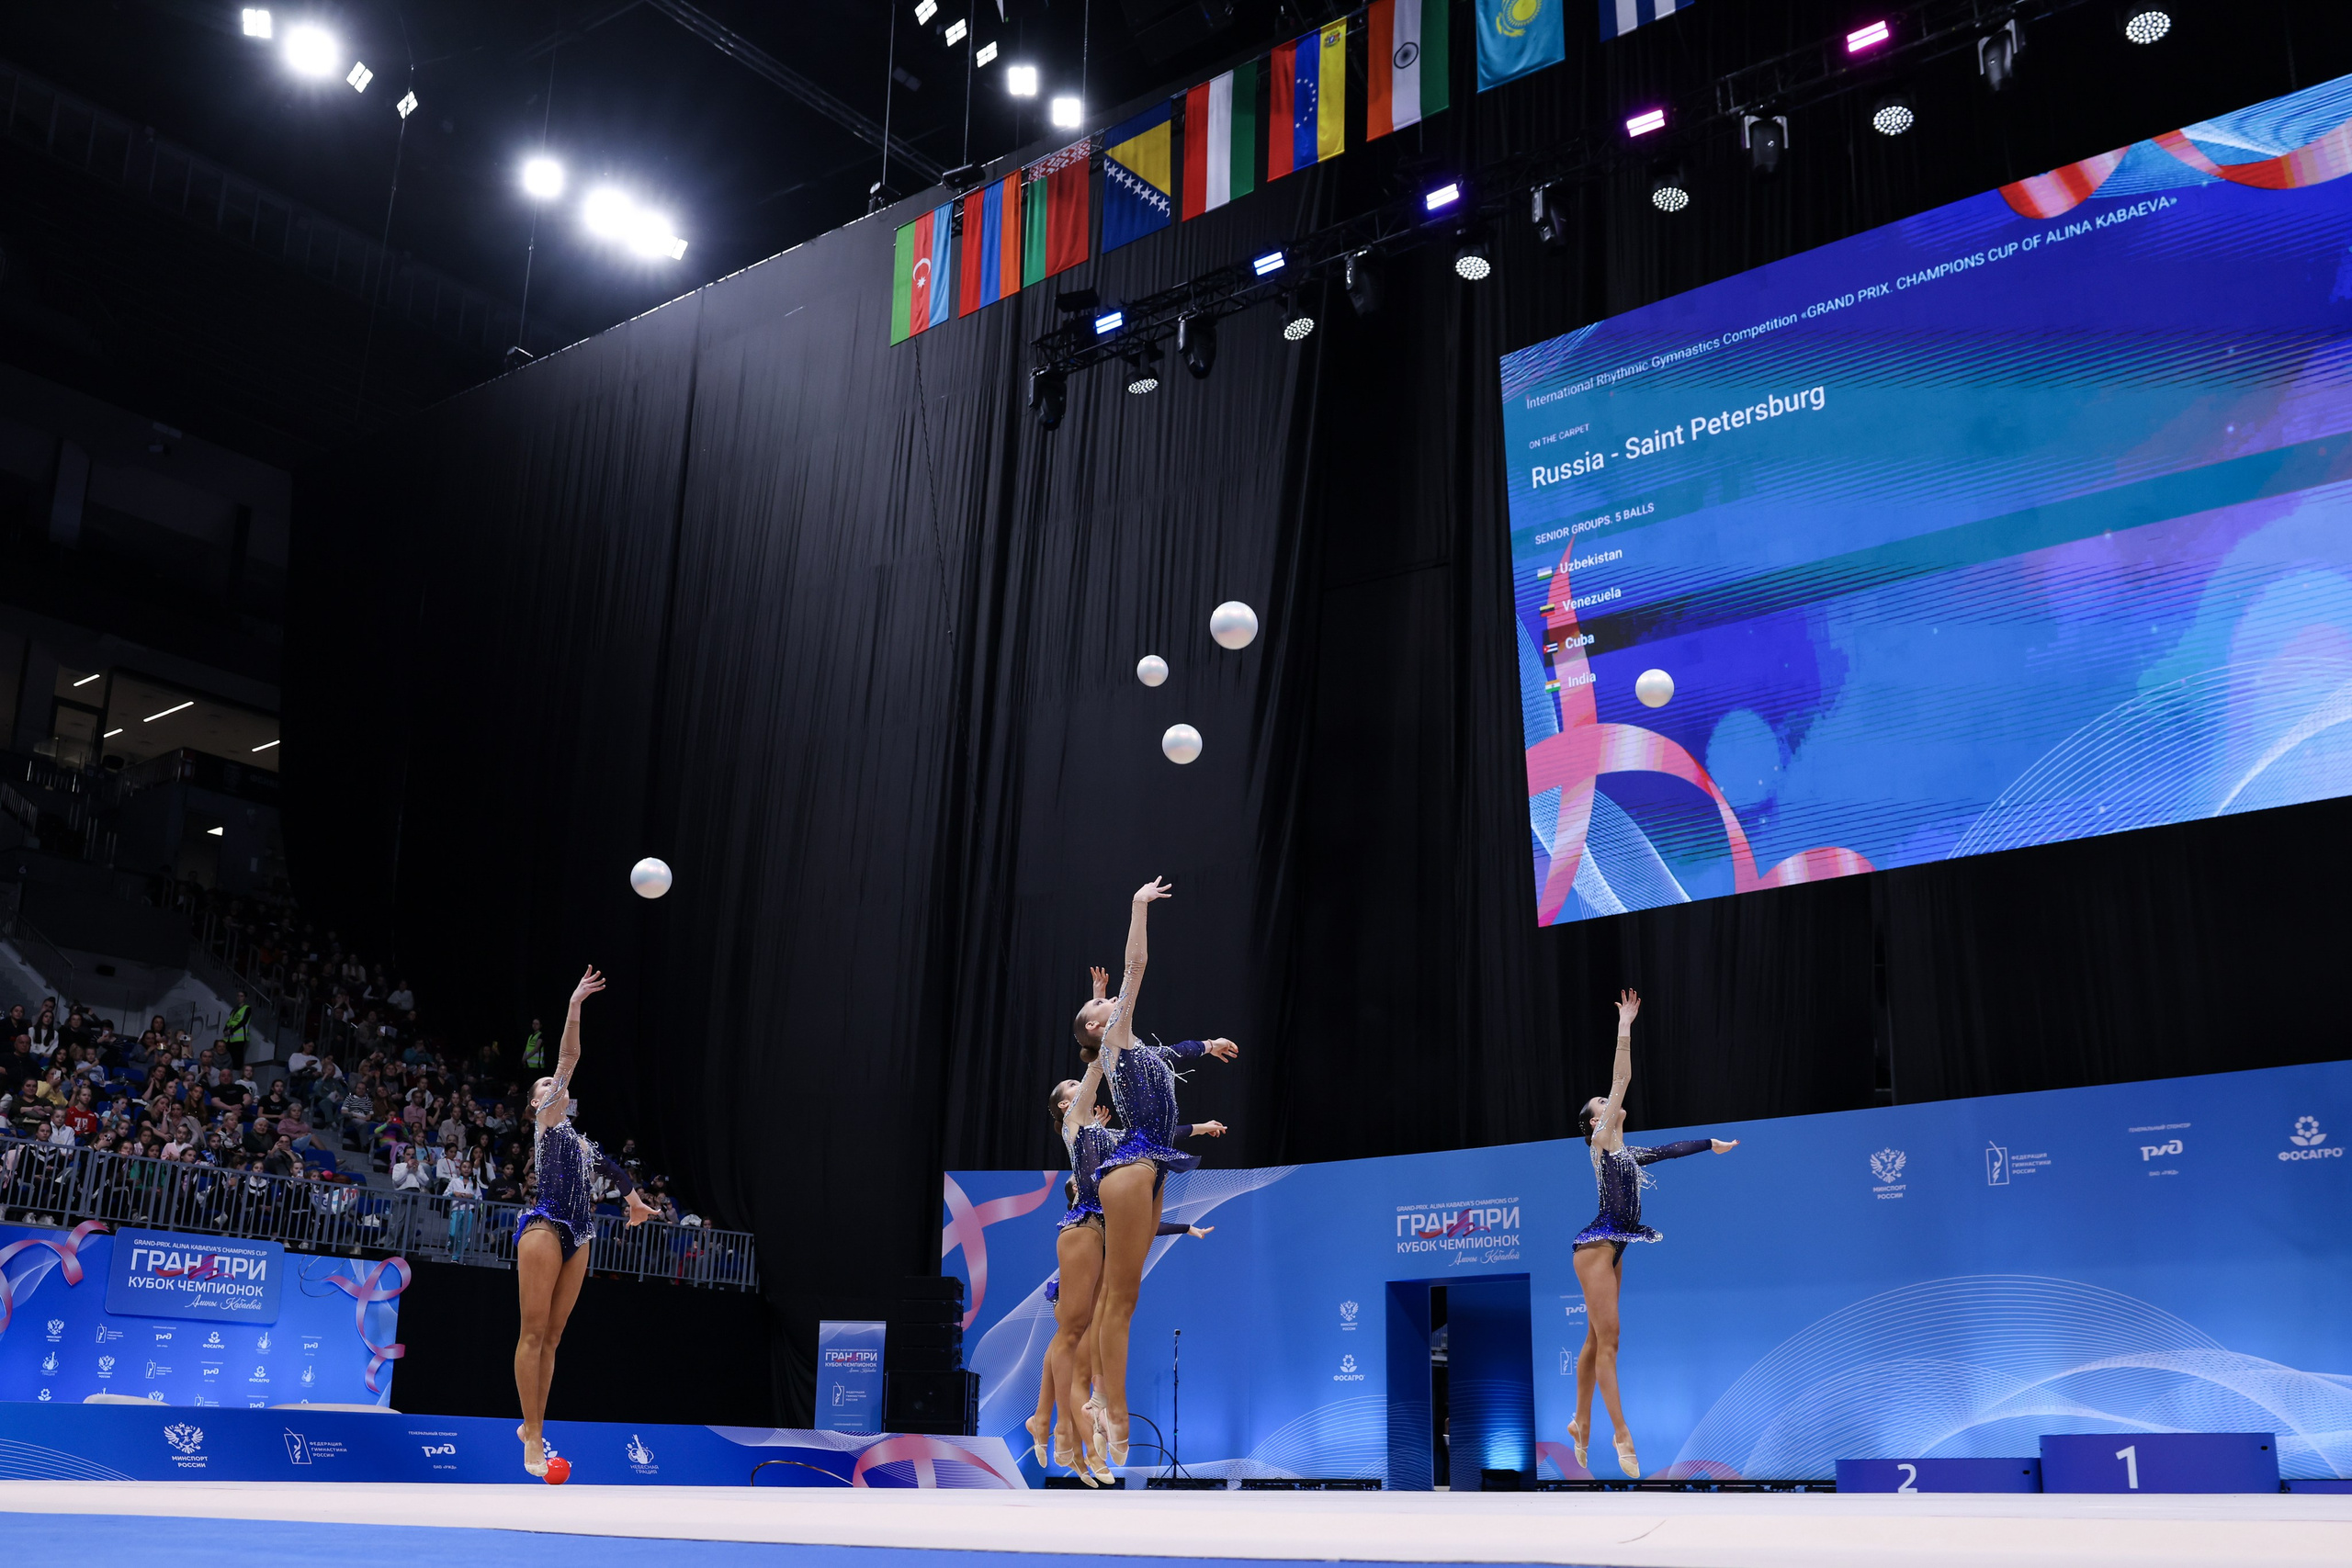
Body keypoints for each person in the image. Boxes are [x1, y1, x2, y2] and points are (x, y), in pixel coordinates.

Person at [1077, 879, 1239, 1467]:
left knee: (1122, 1296)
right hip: (1132, 1166)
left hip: (1152, 1166)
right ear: (1101, 1028)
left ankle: (1099, 1400)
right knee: (1118, 1298)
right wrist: (1138, 907)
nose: (1113, 1005)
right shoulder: (1116, 1040)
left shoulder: (1133, 1049)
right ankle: (1106, 1406)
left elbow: (1173, 1054)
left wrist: (1209, 1044)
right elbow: (1136, 967)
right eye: (1104, 1009)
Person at [1565, 989, 1738, 1481]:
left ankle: (1580, 1422)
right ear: (1596, 1120)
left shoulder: (1627, 1153)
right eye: (1602, 1102)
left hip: (1616, 1246)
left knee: (1595, 1339)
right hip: (1596, 1246)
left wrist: (1709, 1143)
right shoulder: (1601, 1142)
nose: (1611, 1100)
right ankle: (1621, 1434)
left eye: (1607, 1099)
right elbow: (1621, 1079)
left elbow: (1669, 1150)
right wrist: (1625, 1027)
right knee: (1610, 1343)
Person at [511, 966, 655, 1478]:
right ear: (537, 1102)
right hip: (546, 1226)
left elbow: (611, 1169)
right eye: (545, 1085)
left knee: (553, 1338)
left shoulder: (578, 1138)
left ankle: (534, 1425)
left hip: (581, 1234)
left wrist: (635, 1202)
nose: (554, 1086)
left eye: (555, 1085)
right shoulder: (546, 1120)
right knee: (533, 1333)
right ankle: (532, 1437)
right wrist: (574, 1006)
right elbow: (568, 1059)